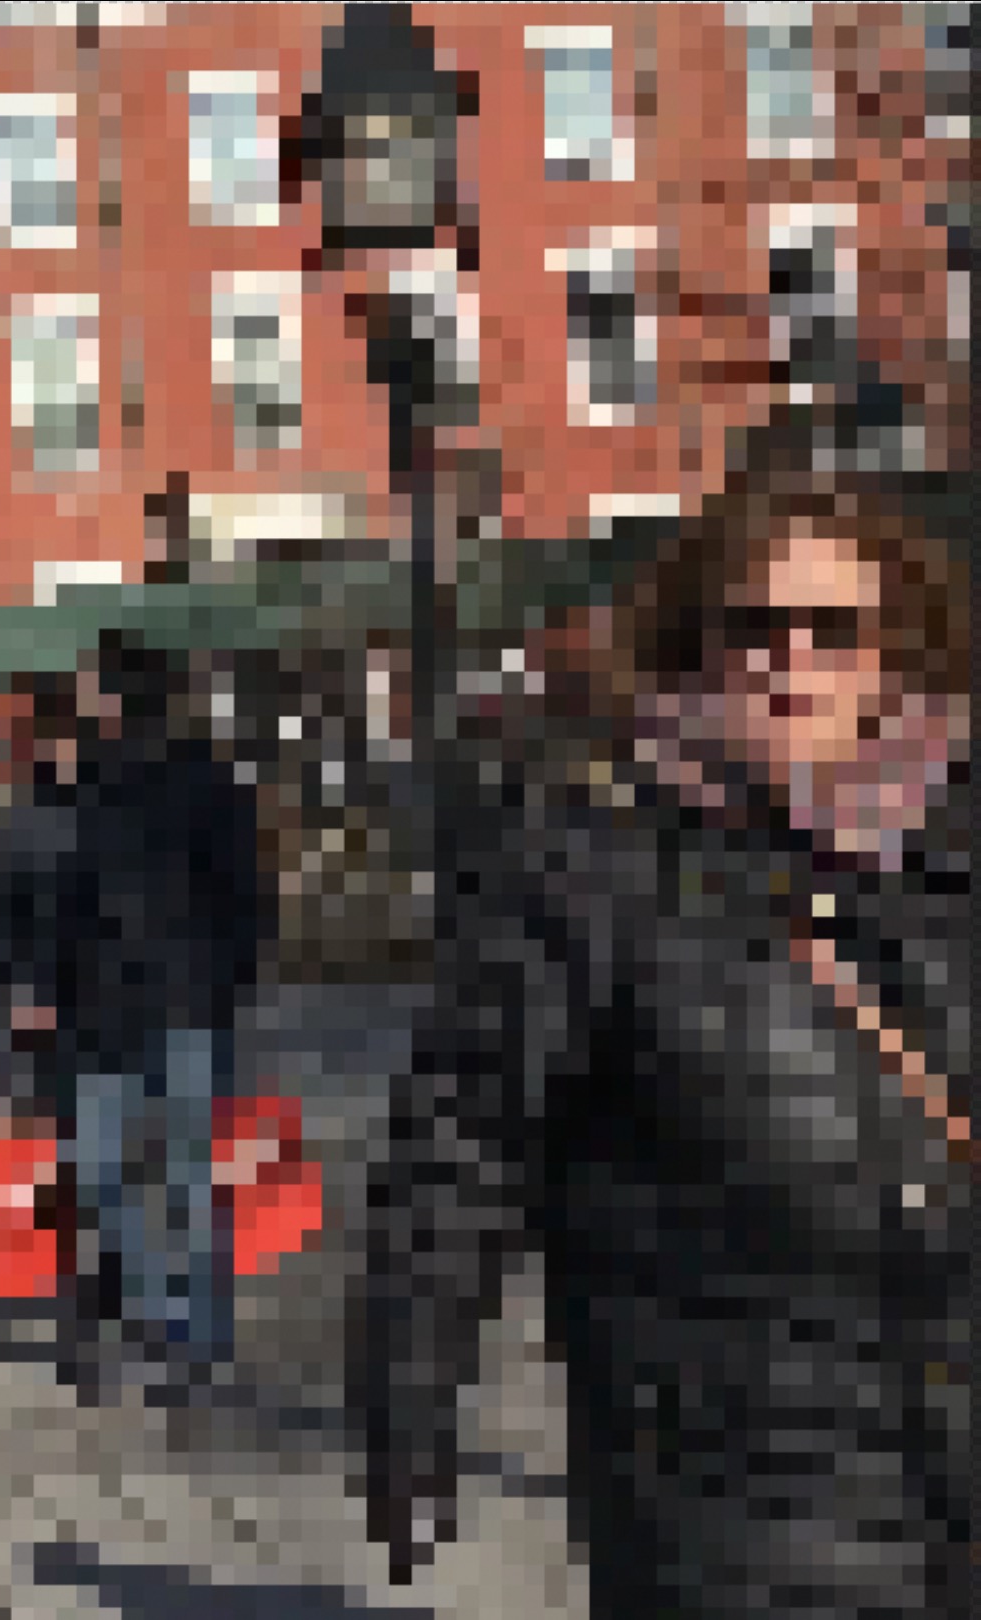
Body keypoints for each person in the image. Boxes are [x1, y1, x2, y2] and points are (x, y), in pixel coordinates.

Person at [354, 413, 976, 1614]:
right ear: (697, 646)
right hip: (731, 1508)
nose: (794, 662)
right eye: (756, 629)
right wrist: (412, 1397)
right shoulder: (591, 869)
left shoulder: (957, 846)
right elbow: (459, 1153)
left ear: (895, 651)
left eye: (835, 631)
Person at [24, 629, 267, 1394]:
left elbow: (244, 898)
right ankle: (157, 1310)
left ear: (129, 693)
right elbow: (58, 898)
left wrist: (221, 989)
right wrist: (42, 987)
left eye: (97, 684)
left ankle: (197, 1336)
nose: (86, 698)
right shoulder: (84, 787)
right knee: (100, 1178)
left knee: (188, 1179)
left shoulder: (205, 781)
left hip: (184, 1009)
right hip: (97, 1014)